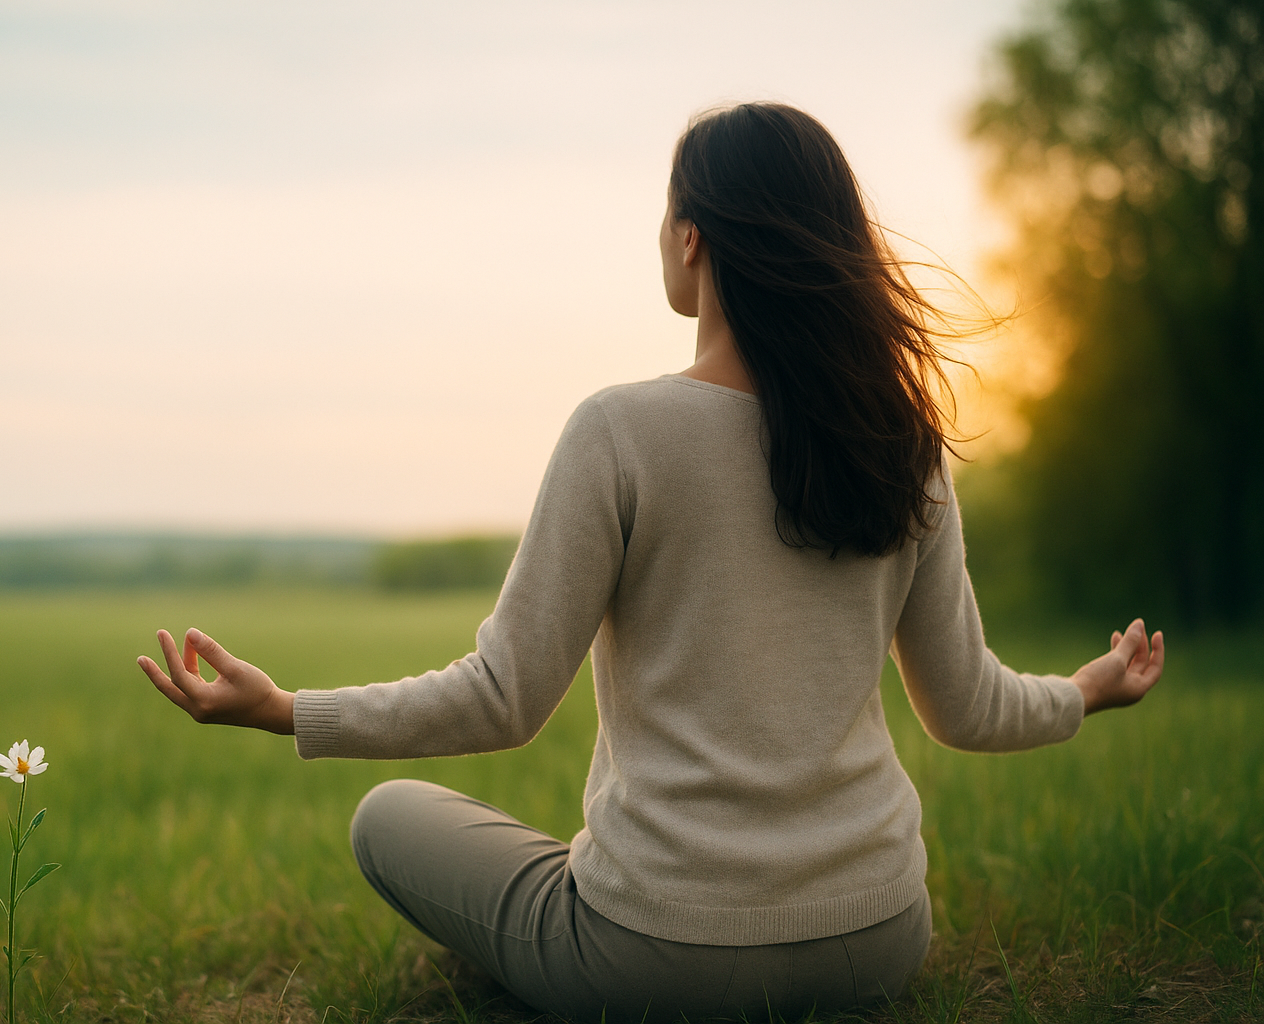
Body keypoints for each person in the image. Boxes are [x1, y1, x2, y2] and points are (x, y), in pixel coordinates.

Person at [136, 102, 1164, 1021]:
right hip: (879, 937)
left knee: (388, 817)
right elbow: (967, 707)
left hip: (662, 962)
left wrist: (285, 709)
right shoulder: (903, 443)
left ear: (691, 239)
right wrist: (1088, 689)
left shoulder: (620, 431)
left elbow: (504, 699)